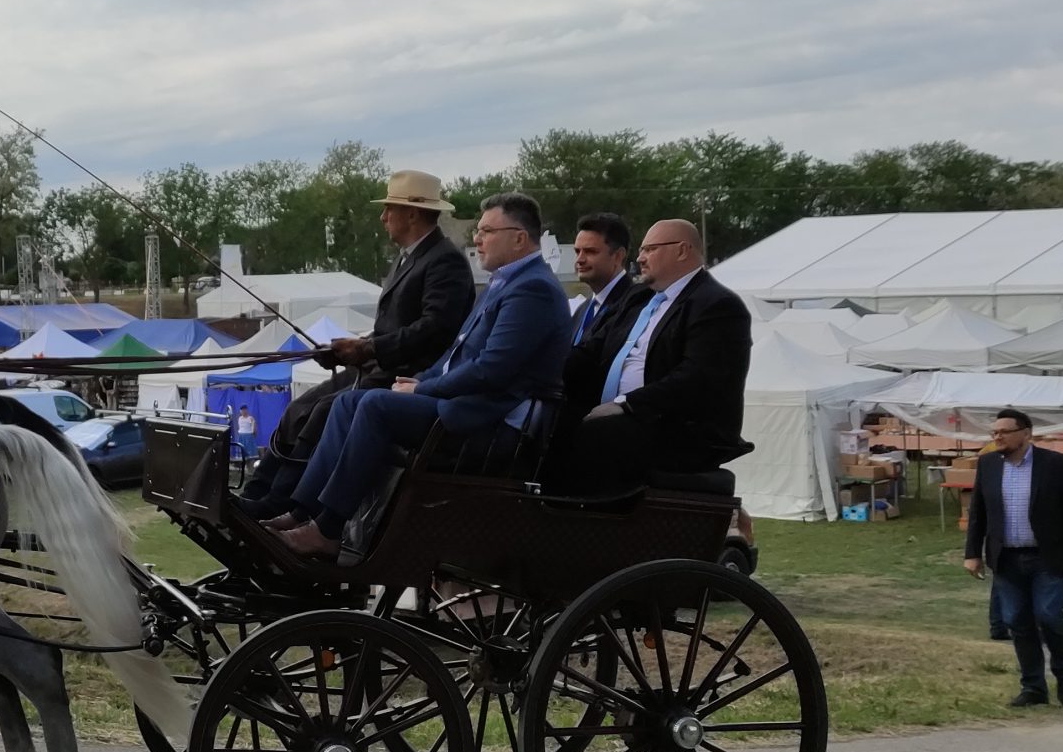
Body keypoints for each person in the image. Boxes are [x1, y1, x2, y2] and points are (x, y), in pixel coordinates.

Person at [263, 193, 569, 559]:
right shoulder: (505, 283)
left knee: (375, 405)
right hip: (466, 407)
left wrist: (425, 388)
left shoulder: (533, 289)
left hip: (492, 424)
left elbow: (491, 369)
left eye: (487, 231)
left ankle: (327, 529)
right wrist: (418, 381)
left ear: (519, 238)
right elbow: (454, 356)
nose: (477, 239)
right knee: (347, 403)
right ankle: (302, 513)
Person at [236, 169, 474, 514]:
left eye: (389, 209)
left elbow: (434, 329)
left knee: (321, 412)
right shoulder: (409, 257)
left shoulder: (445, 260)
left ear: (412, 213)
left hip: (407, 374)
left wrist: (369, 349)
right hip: (378, 364)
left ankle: (282, 502)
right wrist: (352, 347)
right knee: (298, 407)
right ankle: (255, 494)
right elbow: (392, 324)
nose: (383, 217)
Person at [557, 218, 753, 490]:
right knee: (549, 418)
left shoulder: (717, 305)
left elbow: (696, 378)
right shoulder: (638, 298)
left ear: (682, 251)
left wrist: (626, 404)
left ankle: (592, 524)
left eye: (650, 249)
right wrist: (541, 374)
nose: (640, 258)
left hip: (679, 429)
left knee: (598, 434)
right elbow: (591, 350)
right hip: (626, 418)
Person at [962, 406, 1063, 707]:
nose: (998, 437)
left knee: (1048, 615)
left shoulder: (1054, 464)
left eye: (1004, 432)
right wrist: (972, 553)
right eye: (994, 433)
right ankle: (1033, 687)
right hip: (1006, 557)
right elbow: (978, 512)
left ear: (1026, 434)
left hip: (1047, 556)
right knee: (1016, 621)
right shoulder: (988, 464)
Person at [560, 213, 647, 413]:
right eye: (577, 251)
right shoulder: (583, 309)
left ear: (618, 256)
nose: (580, 259)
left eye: (590, 251)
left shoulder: (636, 304)